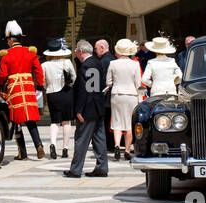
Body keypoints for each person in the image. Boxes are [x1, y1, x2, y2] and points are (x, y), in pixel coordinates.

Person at [0, 20, 45, 160]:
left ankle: (22, 153)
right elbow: (38, 71)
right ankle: (39, 145)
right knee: (30, 120)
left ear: (11, 39)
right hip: (28, 89)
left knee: (16, 121)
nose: (7, 43)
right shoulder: (30, 52)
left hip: (14, 90)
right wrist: (40, 85)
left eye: (7, 40)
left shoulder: (6, 55)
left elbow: (3, 75)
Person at [67, 39, 109, 178]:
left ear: (81, 51)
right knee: (99, 139)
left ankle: (75, 169)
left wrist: (79, 110)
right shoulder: (97, 62)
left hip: (88, 109)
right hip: (98, 106)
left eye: (77, 52)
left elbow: (86, 90)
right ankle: (102, 167)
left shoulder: (86, 66)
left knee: (81, 140)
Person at [106, 38, 144, 160]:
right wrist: (140, 99)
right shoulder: (135, 64)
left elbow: (108, 82)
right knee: (129, 124)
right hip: (131, 95)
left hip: (117, 94)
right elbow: (138, 84)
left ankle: (117, 145)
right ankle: (127, 150)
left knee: (116, 122)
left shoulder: (113, 63)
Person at [41, 38, 76, 160]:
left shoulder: (44, 65)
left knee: (55, 121)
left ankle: (52, 144)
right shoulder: (67, 63)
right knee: (66, 121)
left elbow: (43, 82)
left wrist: (48, 88)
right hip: (66, 93)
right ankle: (65, 148)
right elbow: (74, 78)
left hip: (52, 94)